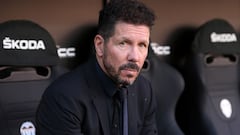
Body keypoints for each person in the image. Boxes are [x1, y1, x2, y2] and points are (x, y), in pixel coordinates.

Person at [36, 0, 157, 135]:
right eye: (123, 43)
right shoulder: (63, 97)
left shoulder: (144, 89)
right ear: (99, 45)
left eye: (142, 45)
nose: (135, 56)